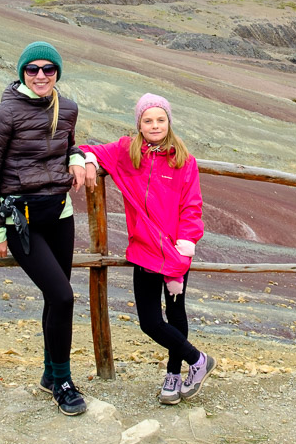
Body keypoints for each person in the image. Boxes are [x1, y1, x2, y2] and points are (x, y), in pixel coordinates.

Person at [79, 93, 213, 406]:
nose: (155, 125)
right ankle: (199, 360)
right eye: (148, 120)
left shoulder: (184, 161)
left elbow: (191, 206)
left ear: (169, 121)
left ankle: (174, 375)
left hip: (176, 251)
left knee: (176, 312)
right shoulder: (127, 151)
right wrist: (87, 161)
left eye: (160, 119)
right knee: (150, 321)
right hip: (144, 249)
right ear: (139, 123)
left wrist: (187, 243)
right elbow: (88, 148)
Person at [0, 40, 88, 416]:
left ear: (57, 73)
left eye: (48, 69)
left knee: (56, 299)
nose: (41, 75)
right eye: (32, 69)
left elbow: (67, 144)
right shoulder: (4, 114)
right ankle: (64, 382)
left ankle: (50, 374)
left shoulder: (67, 108)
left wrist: (78, 157)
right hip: (19, 221)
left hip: (59, 213)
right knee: (63, 297)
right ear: (21, 72)